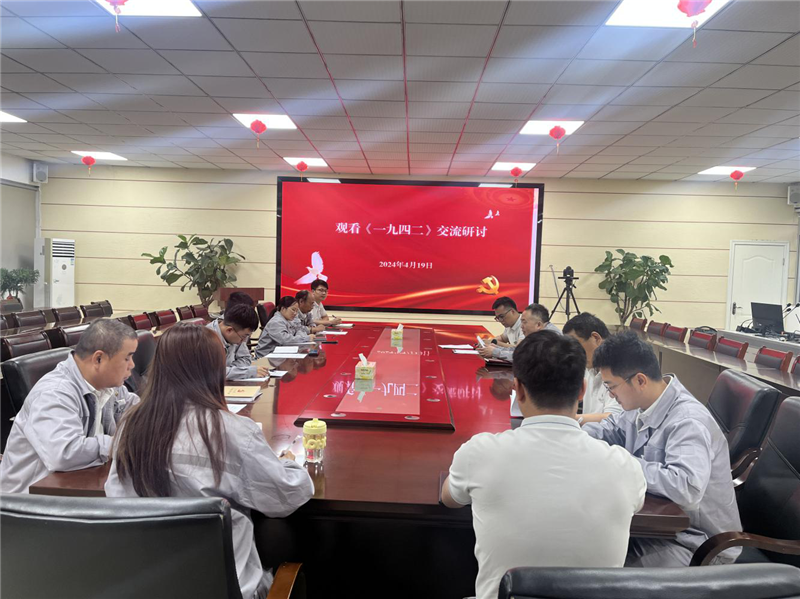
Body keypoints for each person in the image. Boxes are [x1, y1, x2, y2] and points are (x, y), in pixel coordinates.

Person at [106, 324, 313, 599]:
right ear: (216, 370)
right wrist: (289, 463)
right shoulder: (234, 431)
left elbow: (116, 499)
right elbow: (287, 495)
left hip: (145, 586)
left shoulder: (130, 425)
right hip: (226, 589)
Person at [442, 331, 646, 599]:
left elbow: (449, 498)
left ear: (518, 389)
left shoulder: (479, 453)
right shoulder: (625, 466)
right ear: (582, 389)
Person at [583, 331, 742, 567]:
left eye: (611, 386)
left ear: (640, 380)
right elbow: (610, 429)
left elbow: (686, 487)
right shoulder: (641, 404)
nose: (610, 395)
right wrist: (576, 439)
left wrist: (623, 462)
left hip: (698, 545)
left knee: (604, 566)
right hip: (661, 529)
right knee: (591, 545)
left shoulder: (688, 421)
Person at [0, 319, 139, 494]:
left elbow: (138, 413)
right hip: (27, 500)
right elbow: (64, 454)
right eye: (127, 358)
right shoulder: (54, 393)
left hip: (76, 485)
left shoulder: (108, 385)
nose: (132, 365)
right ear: (98, 359)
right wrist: (117, 444)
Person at [562, 313, 623, 424]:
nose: (575, 354)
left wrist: (567, 420)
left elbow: (614, 419)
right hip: (588, 432)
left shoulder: (620, 368)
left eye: (576, 346)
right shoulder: (589, 366)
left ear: (596, 338)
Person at [478, 303, 562, 361]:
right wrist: (496, 348)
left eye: (524, 322)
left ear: (538, 325)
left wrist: (495, 352)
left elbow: (524, 357)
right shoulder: (537, 333)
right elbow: (521, 350)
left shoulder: (550, 337)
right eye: (521, 322)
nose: (521, 326)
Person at [206, 303, 267, 380]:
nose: (244, 341)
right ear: (229, 330)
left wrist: (231, 371)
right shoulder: (206, 338)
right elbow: (213, 373)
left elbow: (246, 358)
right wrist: (245, 372)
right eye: (244, 336)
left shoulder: (237, 334)